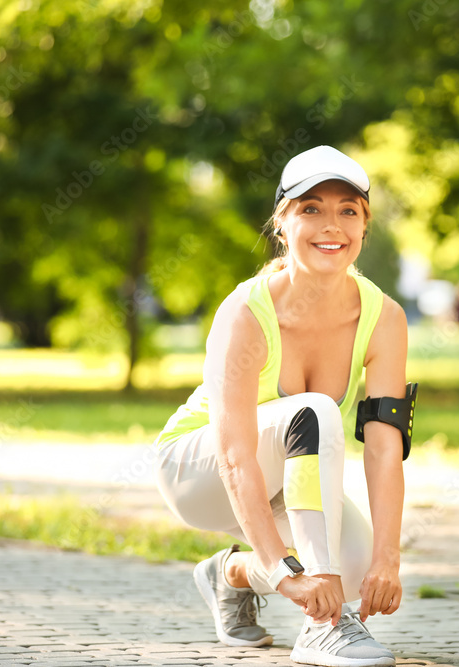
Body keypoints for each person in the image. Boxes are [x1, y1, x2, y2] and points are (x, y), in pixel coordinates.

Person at [154, 145, 413, 667]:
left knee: (360, 565)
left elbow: (385, 449)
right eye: (311, 208)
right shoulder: (245, 314)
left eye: (348, 210)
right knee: (312, 411)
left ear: (364, 226)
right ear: (282, 223)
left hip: (283, 478)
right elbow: (234, 457)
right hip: (197, 469)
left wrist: (388, 557)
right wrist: (287, 571)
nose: (331, 225)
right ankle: (322, 628)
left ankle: (228, 575)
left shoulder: (384, 317)